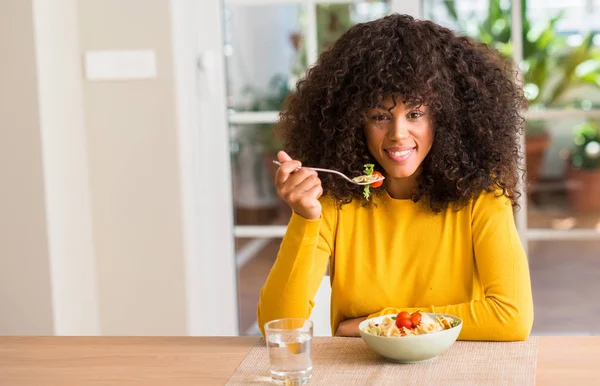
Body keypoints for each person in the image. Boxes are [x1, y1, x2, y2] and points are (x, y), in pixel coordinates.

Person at [257, 13, 534, 341]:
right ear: (353, 122)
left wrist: (376, 323)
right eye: (379, 116)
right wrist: (304, 219)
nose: (398, 134)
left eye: (415, 114)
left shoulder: (480, 194)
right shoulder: (334, 196)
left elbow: (512, 317)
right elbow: (277, 325)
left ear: (446, 118)